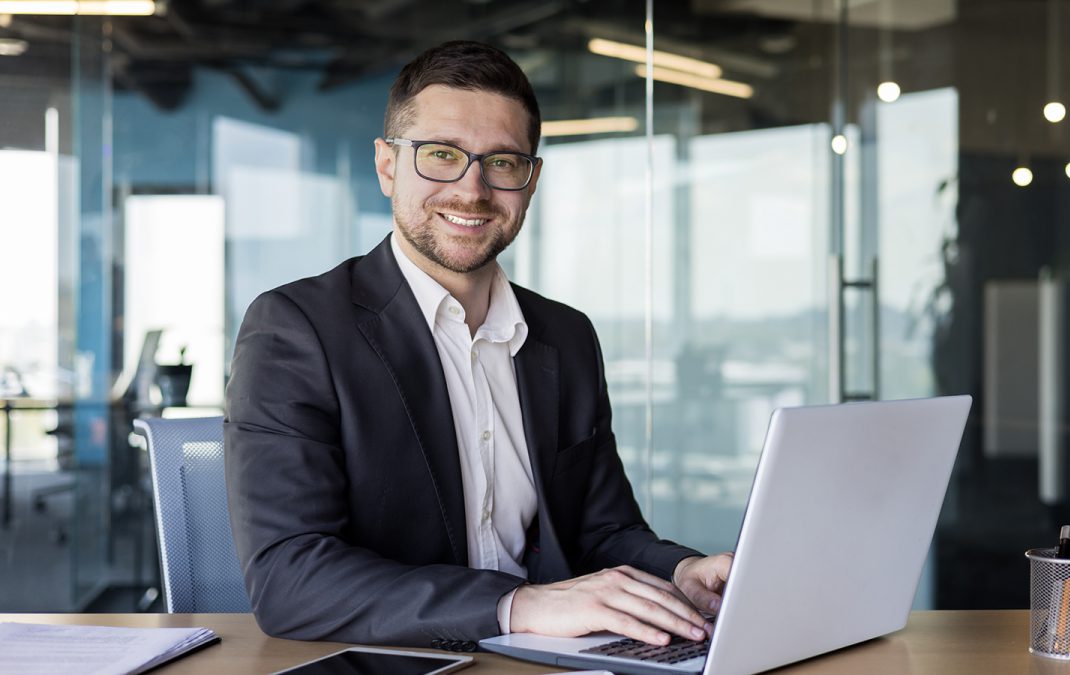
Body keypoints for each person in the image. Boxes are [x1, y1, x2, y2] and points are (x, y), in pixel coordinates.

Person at [225, 40, 732, 651]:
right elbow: (291, 580)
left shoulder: (566, 337)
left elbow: (605, 529)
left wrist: (681, 572)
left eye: (503, 162)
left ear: (531, 179)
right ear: (388, 166)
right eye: (441, 154)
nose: (472, 190)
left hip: (549, 661)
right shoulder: (297, 329)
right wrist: (519, 605)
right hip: (388, 664)